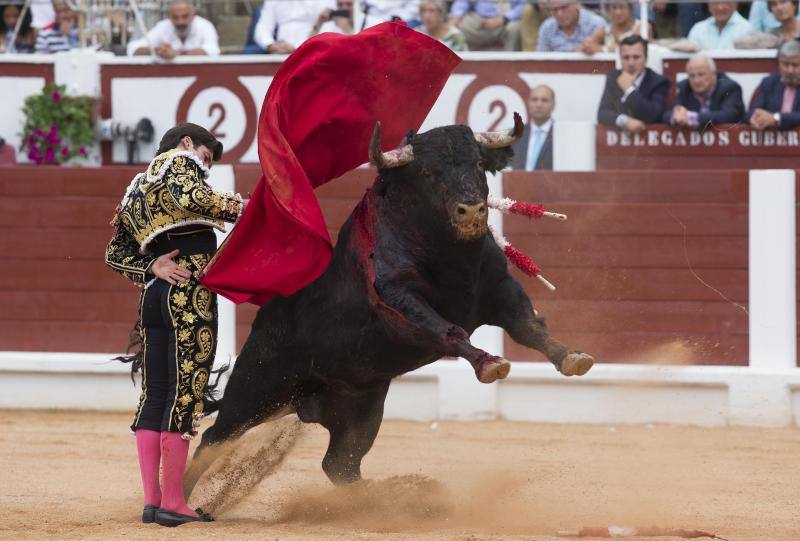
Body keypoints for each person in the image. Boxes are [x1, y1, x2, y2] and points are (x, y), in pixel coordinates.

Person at [105, 123, 243, 527]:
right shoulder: (177, 164)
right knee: (184, 395)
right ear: (186, 143)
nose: (204, 166)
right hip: (189, 294)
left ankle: (152, 502)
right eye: (204, 156)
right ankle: (174, 503)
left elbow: (115, 252)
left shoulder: (138, 188)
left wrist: (151, 264)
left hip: (153, 295)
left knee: (156, 394)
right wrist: (244, 208)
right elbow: (191, 194)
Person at [597, 35, 670, 133]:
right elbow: (602, 113)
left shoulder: (659, 82)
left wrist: (629, 90)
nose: (631, 63)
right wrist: (624, 121)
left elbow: (653, 115)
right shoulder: (614, 77)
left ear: (646, 59)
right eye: (626, 58)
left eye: (636, 57)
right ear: (620, 59)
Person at [663, 54, 744, 128]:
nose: (696, 81)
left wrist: (692, 118)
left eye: (701, 75)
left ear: (713, 74)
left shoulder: (729, 88)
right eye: (692, 76)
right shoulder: (683, 87)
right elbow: (666, 114)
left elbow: (730, 115)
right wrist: (676, 116)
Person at [128, 0, 219, 58]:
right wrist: (158, 51)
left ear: (193, 15)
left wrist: (177, 53)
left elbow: (212, 50)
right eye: (175, 17)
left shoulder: (205, 26)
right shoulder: (163, 26)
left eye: (185, 16)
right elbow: (133, 48)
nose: (180, 22)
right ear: (170, 17)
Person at [749, 39, 800, 130]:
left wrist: (776, 118)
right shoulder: (769, 82)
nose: (790, 70)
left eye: (795, 65)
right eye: (786, 64)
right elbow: (752, 111)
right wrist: (756, 118)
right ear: (779, 63)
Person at [253, 0, 335, 54]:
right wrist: (270, 45)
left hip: (311, 51)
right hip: (278, 52)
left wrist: (296, 48)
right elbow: (263, 26)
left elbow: (326, 28)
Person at [580, 0, 651, 54]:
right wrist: (587, 46)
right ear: (608, 10)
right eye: (614, 8)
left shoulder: (643, 27)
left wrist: (602, 49)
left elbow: (632, 48)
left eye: (622, 7)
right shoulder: (605, 30)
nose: (618, 12)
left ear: (630, 8)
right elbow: (583, 47)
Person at [511, 85, 555, 171]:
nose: (539, 104)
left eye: (544, 100)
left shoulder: (561, 135)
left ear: (553, 104)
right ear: (528, 103)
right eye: (534, 99)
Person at [449, 0, 523, 51]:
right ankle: (461, 66)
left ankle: (509, 65)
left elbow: (524, 4)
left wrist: (504, 19)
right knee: (453, 27)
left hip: (507, 22)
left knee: (515, 28)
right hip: (480, 21)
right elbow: (464, 2)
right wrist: (457, 16)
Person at [536, 0, 605, 52]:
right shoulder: (547, 28)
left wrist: (599, 49)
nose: (560, 14)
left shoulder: (596, 24)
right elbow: (541, 60)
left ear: (576, 3)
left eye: (564, 7)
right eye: (554, 10)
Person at [687, 1, 754, 50]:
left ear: (735, 4)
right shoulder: (698, 29)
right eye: (715, 3)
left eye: (725, 2)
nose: (720, 7)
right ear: (709, 5)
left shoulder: (747, 29)